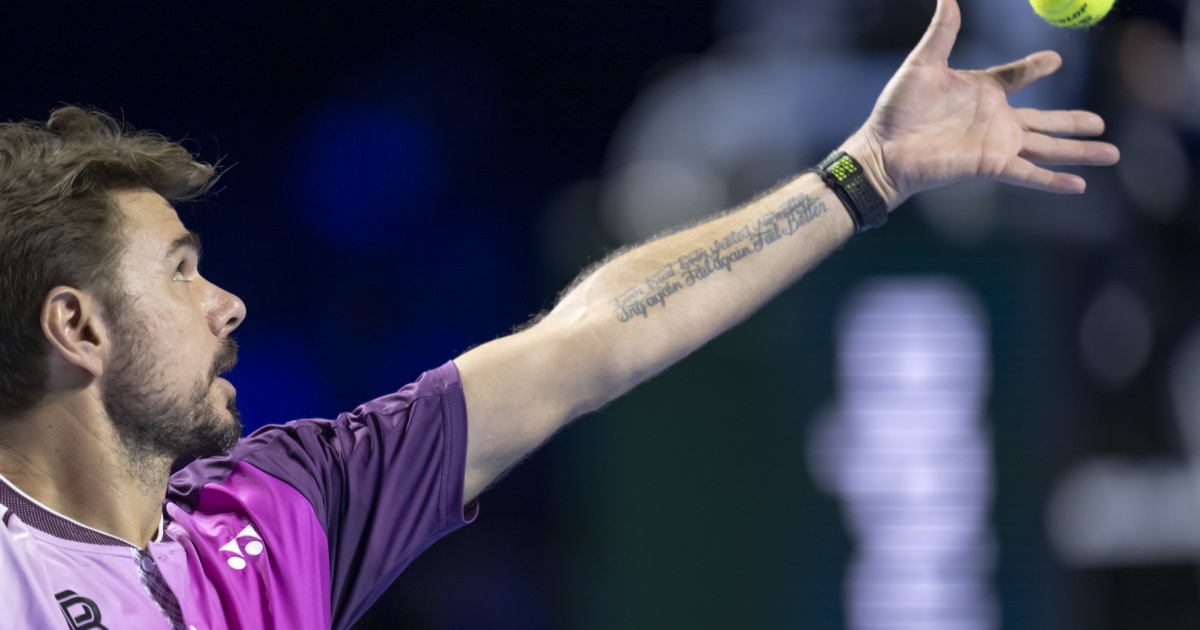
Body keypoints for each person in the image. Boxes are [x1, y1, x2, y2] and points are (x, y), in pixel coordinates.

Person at [0, 0, 1118, 628]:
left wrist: (863, 175)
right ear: (77, 329)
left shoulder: (285, 506)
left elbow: (592, 340)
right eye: (180, 274)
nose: (227, 303)